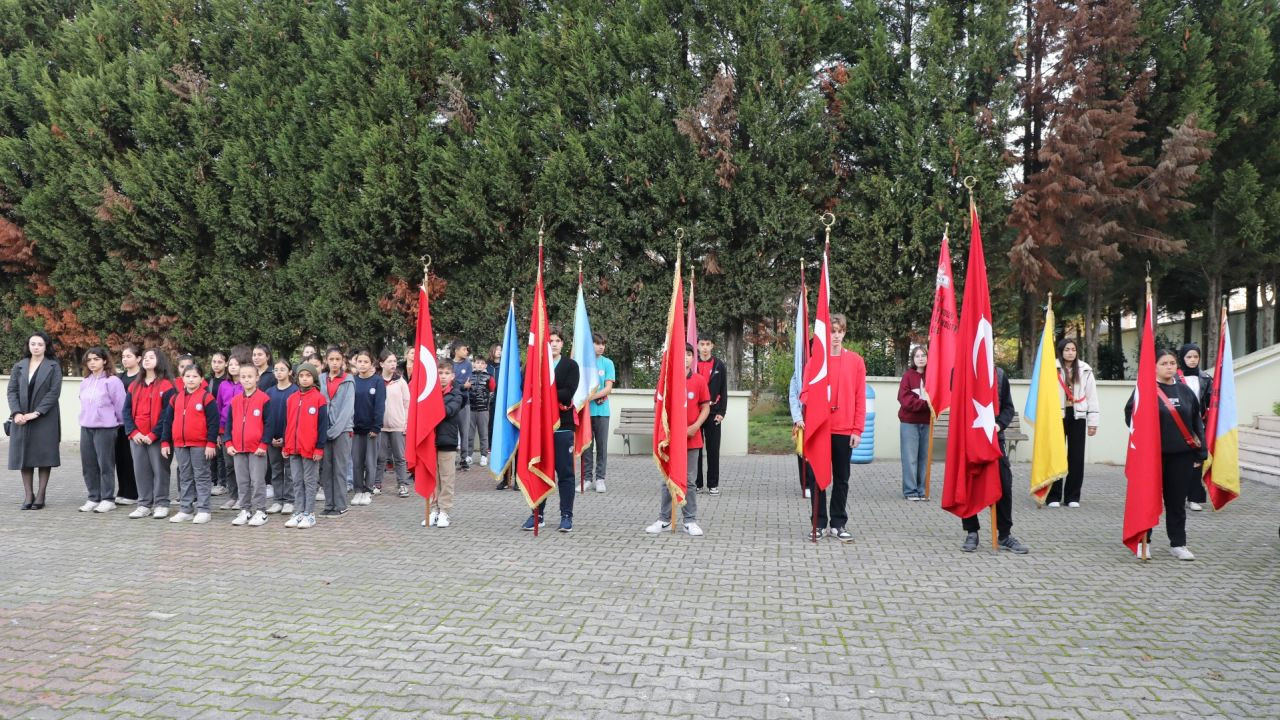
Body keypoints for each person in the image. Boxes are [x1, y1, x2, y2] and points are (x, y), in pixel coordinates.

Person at [1126, 347, 1207, 561]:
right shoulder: (1144, 390)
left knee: (1176, 502)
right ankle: (1145, 542)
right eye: (1164, 363)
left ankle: (1178, 544)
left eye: (1172, 363)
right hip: (1152, 458)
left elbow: (1196, 422)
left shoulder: (1185, 391)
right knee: (1148, 500)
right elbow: (1130, 417)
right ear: (1154, 367)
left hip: (1181, 456)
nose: (1169, 367)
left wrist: (1201, 453)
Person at [960, 365, 1030, 554]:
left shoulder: (999, 374)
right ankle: (971, 532)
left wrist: (999, 426)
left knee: (1004, 484)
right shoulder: (961, 371)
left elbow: (1008, 407)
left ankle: (1005, 534)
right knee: (970, 483)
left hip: (994, 440)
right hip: (971, 439)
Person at [810, 315, 866, 541]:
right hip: (821, 430)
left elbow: (860, 397)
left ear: (844, 333)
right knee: (818, 478)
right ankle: (818, 523)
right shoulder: (816, 361)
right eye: (832, 331)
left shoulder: (855, 361)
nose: (835, 335)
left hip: (844, 430)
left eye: (839, 331)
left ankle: (838, 523)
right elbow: (805, 391)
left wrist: (857, 429)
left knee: (842, 478)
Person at [645, 344, 708, 536]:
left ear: (692, 358)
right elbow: (658, 406)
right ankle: (664, 519)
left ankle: (690, 521)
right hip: (670, 440)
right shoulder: (666, 382)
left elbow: (705, 407)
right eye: (683, 354)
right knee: (667, 479)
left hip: (691, 439)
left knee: (689, 481)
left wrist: (696, 426)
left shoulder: (699, 380)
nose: (686, 358)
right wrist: (666, 431)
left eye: (689, 355)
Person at [521, 326, 579, 532]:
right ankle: (538, 514)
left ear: (562, 344)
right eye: (550, 340)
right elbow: (524, 387)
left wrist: (544, 391)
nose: (553, 343)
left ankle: (566, 516)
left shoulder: (571, 365)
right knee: (539, 470)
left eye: (557, 340)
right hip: (540, 428)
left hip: (562, 426)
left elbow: (568, 392)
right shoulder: (535, 365)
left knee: (565, 473)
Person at [7, 331, 63, 510]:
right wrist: (16, 413)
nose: (36, 347)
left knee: (44, 456)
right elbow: (12, 391)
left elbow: (54, 393)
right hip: (21, 417)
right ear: (28, 346)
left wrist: (37, 413)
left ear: (46, 346)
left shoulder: (53, 366)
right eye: (33, 344)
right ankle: (28, 494)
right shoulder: (19, 366)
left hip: (44, 418)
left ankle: (41, 495)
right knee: (25, 455)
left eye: (40, 344)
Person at [160, 363, 218, 524]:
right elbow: (167, 421)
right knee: (185, 476)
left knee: (202, 476)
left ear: (201, 379)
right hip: (180, 444)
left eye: (195, 376)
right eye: (188, 376)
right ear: (182, 378)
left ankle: (204, 509)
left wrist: (211, 443)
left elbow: (214, 423)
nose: (191, 379)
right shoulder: (175, 398)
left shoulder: (207, 398)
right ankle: (186, 509)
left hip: (200, 445)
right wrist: (165, 441)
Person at [123, 348, 175, 519]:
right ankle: (144, 503)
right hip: (137, 438)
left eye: (151, 357)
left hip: (157, 438)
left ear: (159, 361)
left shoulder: (167, 386)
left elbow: (168, 414)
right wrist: (133, 432)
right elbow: (126, 411)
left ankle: (161, 503)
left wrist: (153, 434)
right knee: (140, 471)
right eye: (145, 357)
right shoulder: (134, 385)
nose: (146, 360)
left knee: (160, 471)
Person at [1047, 338, 1100, 508]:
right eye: (1067, 349)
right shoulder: (1051, 368)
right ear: (1061, 351)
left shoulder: (1085, 370)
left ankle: (1072, 496)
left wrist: (1093, 422)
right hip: (1057, 416)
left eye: (1073, 349)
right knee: (1056, 455)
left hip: (1078, 416)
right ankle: (1053, 495)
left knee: (1076, 457)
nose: (1070, 352)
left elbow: (1092, 396)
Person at [77, 347, 127, 514]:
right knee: (88, 465)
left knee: (105, 464)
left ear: (104, 361)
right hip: (86, 428)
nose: (92, 362)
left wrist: (118, 425)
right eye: (89, 360)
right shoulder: (85, 382)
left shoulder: (113, 381)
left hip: (106, 429)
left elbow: (121, 405)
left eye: (96, 359)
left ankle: (107, 499)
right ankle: (93, 497)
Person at [224, 363, 272, 526]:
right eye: (243, 377)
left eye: (250, 376)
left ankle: (261, 511)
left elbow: (269, 424)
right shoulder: (235, 401)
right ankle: (245, 510)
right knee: (242, 481)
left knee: (257, 481)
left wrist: (264, 444)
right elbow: (229, 424)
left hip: (257, 449)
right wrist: (228, 442)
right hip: (238, 448)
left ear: (257, 378)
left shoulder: (264, 399)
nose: (246, 379)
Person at [282, 362, 328, 529]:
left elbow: (323, 426)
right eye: (301, 376)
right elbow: (287, 424)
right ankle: (298, 511)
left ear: (313, 378)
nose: (304, 379)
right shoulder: (291, 399)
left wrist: (319, 447)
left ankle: (309, 513)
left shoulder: (319, 399)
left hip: (310, 449)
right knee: (296, 480)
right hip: (293, 448)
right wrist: (286, 446)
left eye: (308, 376)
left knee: (309, 481)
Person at [427, 360, 466, 528]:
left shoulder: (457, 394)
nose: (443, 377)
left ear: (452, 376)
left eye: (446, 374)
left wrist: (431, 405)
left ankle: (444, 511)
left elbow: (448, 411)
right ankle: (433, 509)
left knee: (447, 478)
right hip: (430, 441)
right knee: (432, 477)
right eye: (440, 373)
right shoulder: (429, 392)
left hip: (447, 442)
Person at [319, 346, 354, 517]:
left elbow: (347, 410)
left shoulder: (348, 380)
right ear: (326, 360)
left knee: (339, 468)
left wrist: (333, 431)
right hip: (324, 430)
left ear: (342, 361)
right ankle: (329, 503)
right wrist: (322, 429)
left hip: (342, 431)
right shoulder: (321, 379)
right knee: (326, 469)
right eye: (331, 359)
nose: (334, 363)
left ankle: (340, 505)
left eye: (337, 359)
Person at [1177, 343, 1212, 512]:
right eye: (1188, 357)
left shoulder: (1205, 378)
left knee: (1197, 461)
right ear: (1182, 358)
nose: (1192, 360)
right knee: (1180, 462)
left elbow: (1211, 401)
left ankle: (1194, 498)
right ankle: (1177, 495)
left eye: (1195, 357)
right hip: (1178, 425)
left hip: (1199, 426)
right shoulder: (1174, 377)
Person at [349, 349, 385, 506]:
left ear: (372, 364)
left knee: (370, 461)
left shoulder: (377, 381)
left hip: (371, 429)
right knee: (356, 461)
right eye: (360, 361)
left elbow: (379, 406)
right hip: (355, 428)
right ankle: (358, 490)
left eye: (366, 362)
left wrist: (376, 427)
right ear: (355, 363)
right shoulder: (351, 380)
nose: (362, 364)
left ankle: (368, 490)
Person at [693, 334, 727, 494]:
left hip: (713, 413)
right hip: (696, 413)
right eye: (702, 344)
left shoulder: (720, 365)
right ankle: (697, 483)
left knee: (713, 450)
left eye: (708, 344)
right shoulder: (692, 366)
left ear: (712, 346)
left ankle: (713, 484)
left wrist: (722, 412)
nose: (705, 347)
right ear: (697, 346)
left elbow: (724, 390)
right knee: (696, 449)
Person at [214, 349, 248, 509]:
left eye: (237, 364)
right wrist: (219, 432)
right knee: (229, 466)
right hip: (225, 431)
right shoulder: (223, 385)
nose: (234, 367)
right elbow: (219, 408)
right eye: (232, 364)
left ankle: (244, 497)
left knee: (242, 466)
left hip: (242, 430)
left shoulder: (246, 385)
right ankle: (233, 496)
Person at [896, 345, 931, 501]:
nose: (920, 358)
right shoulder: (908, 377)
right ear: (913, 359)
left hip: (927, 422)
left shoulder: (932, 377)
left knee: (924, 458)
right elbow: (905, 400)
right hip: (909, 422)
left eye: (923, 355)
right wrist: (924, 404)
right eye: (917, 356)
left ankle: (922, 490)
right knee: (910, 457)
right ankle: (910, 491)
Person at [264, 358, 298, 515]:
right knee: (276, 470)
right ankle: (278, 500)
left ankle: (290, 500)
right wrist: (269, 437)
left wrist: (286, 438)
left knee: (289, 471)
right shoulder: (269, 392)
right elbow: (265, 418)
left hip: (289, 439)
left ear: (290, 372)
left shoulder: (295, 391)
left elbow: (295, 419)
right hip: (272, 438)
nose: (278, 372)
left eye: (282, 369)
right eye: (276, 370)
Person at [583, 332, 615, 493]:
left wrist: (593, 397)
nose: (601, 346)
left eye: (603, 344)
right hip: (586, 413)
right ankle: (587, 478)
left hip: (602, 412)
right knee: (587, 447)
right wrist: (589, 398)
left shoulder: (608, 363)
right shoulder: (584, 364)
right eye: (597, 343)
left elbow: (608, 388)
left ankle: (600, 478)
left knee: (602, 446)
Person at [113, 344, 142, 506]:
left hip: (136, 424)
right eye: (123, 357)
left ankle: (134, 493)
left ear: (138, 359)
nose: (125, 359)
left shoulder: (141, 378)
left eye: (129, 356)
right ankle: (123, 490)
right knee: (121, 458)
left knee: (133, 459)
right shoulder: (119, 378)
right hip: (120, 424)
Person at [379, 351, 411, 497]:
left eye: (394, 361)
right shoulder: (377, 380)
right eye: (389, 361)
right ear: (381, 364)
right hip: (380, 426)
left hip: (398, 425)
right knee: (380, 457)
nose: (393, 364)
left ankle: (403, 484)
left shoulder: (401, 381)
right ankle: (376, 483)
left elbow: (407, 404)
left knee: (400, 457)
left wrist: (405, 423)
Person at [207, 351, 231, 498]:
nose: (216, 365)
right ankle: (213, 480)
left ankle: (223, 483)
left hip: (222, 420)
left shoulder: (226, 381)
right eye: (214, 362)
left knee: (222, 454)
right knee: (212, 454)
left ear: (226, 363)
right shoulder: (209, 381)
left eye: (220, 362)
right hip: (211, 420)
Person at [451, 342, 474, 470]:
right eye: (464, 349)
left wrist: (458, 384)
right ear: (456, 350)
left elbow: (468, 382)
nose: (466, 352)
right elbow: (450, 382)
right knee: (452, 430)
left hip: (465, 402)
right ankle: (451, 457)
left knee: (464, 430)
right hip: (451, 401)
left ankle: (464, 458)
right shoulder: (450, 364)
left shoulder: (468, 364)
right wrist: (460, 385)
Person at [469, 357, 494, 468]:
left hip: (483, 409)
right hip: (470, 409)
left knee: (483, 434)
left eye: (482, 363)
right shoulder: (469, 376)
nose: (479, 365)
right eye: (477, 362)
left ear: (485, 366)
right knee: (469, 434)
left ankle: (483, 456)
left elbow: (492, 390)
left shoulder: (489, 377)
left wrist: (487, 403)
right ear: (474, 364)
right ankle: (468, 455)